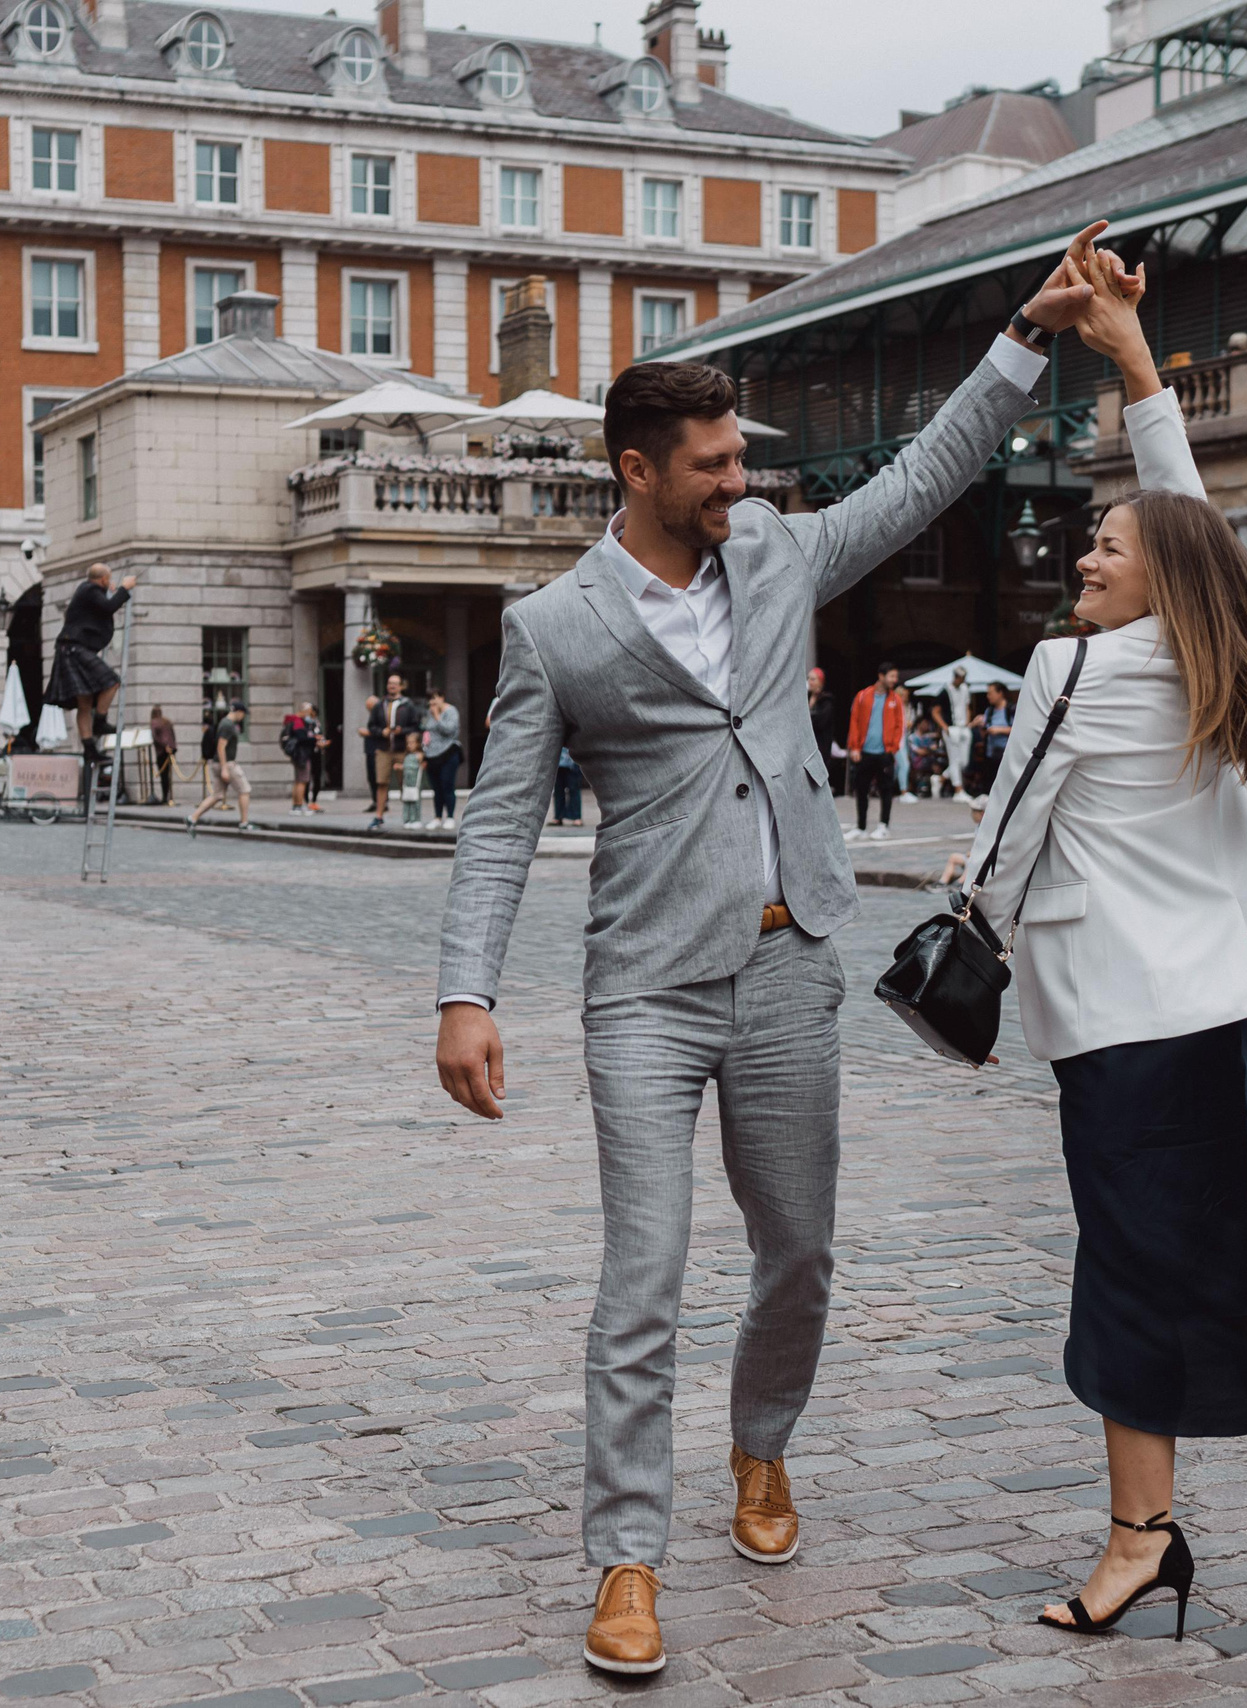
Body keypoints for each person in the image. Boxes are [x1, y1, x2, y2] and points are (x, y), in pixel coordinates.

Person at [434, 225, 1105, 1678]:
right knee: (647, 1271)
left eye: (742, 460)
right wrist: (466, 993)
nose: (741, 482)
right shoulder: (555, 628)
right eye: (715, 465)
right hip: (648, 988)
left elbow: (926, 477)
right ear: (638, 470)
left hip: (793, 963)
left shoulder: (782, 554)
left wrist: (1028, 333)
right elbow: (496, 825)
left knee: (797, 1251)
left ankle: (761, 1450)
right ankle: (626, 1559)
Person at [959, 243, 1247, 1642]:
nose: (1086, 553)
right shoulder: (1215, 648)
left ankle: (1141, 1542)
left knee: (1134, 1270)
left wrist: (974, 928)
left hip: (1120, 1026)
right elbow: (1187, 516)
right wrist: (1137, 367)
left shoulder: (1069, 670)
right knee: (1242, 1255)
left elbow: (1012, 837)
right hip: (1223, 1005)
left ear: (1154, 585)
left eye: (1106, 547)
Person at [46, 561, 135, 766]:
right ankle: (100, 723)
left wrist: (110, 590)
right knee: (112, 682)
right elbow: (108, 608)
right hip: (75, 649)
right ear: (103, 579)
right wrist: (124, 588)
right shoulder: (90, 589)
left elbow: (100, 605)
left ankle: (89, 750)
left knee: (84, 704)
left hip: (70, 648)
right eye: (109, 579)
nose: (110, 582)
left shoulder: (89, 590)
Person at [844, 662, 902, 840]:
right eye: (891, 676)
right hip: (865, 751)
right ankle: (861, 827)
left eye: (895, 677)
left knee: (886, 790)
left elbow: (900, 725)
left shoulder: (895, 700)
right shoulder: (863, 696)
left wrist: (892, 748)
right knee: (861, 790)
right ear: (881, 676)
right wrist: (854, 747)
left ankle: (883, 825)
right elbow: (854, 722)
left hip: (885, 753)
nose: (894, 680)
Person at [365, 673, 418, 831]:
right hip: (383, 749)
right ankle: (379, 816)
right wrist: (382, 732)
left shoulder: (408, 705)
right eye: (389, 683)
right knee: (381, 783)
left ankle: (409, 816)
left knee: (405, 783)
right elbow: (371, 726)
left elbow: (415, 727)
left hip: (402, 749)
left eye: (395, 683)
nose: (391, 686)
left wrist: (402, 731)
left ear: (401, 686)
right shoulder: (380, 704)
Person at [187, 702, 252, 832]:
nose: (243, 717)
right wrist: (224, 768)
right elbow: (221, 747)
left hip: (220, 763)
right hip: (227, 763)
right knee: (244, 790)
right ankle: (244, 822)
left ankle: (193, 818)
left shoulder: (224, 723)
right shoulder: (227, 725)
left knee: (217, 795)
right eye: (243, 714)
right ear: (239, 712)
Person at [422, 688, 463, 830]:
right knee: (436, 788)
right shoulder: (429, 713)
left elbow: (449, 730)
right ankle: (437, 817)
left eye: (435, 698)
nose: (432, 702)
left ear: (442, 697)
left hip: (448, 753)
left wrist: (437, 716)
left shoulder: (451, 711)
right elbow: (425, 730)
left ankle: (450, 816)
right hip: (431, 755)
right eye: (430, 699)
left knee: (447, 786)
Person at [281, 701, 325, 815]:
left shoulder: (296, 721)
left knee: (298, 780)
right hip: (302, 755)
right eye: (309, 712)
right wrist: (315, 739)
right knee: (302, 781)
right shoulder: (298, 722)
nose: (310, 715)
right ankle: (298, 806)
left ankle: (296, 806)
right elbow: (302, 738)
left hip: (299, 754)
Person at [806, 667, 843, 793]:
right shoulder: (806, 697)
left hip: (820, 744)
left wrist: (809, 717)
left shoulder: (827, 700)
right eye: (808, 678)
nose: (809, 682)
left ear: (820, 682)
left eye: (813, 679)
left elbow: (821, 722)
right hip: (807, 744)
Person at [972, 680, 1013, 794]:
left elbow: (1019, 730)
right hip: (990, 754)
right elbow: (984, 734)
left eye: (990, 693)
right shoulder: (989, 711)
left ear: (1000, 693)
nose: (988, 696)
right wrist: (981, 727)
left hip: (1006, 754)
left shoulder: (1010, 709)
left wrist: (999, 729)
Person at [942, 665, 973, 801]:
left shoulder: (965, 689)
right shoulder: (945, 690)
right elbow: (935, 711)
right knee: (954, 760)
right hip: (951, 727)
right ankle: (958, 790)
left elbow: (967, 706)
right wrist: (945, 727)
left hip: (963, 727)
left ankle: (941, 778)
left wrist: (967, 722)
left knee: (963, 761)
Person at [149, 706, 177, 805]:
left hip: (162, 751)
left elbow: (155, 738)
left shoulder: (154, 723)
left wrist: (164, 746)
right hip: (171, 749)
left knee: (164, 775)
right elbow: (173, 735)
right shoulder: (167, 721)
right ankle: (169, 796)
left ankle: (165, 797)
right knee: (168, 774)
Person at [552, 745, 585, 826]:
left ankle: (576, 817)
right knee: (558, 790)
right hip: (558, 762)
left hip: (572, 762)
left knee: (574, 789)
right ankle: (558, 816)